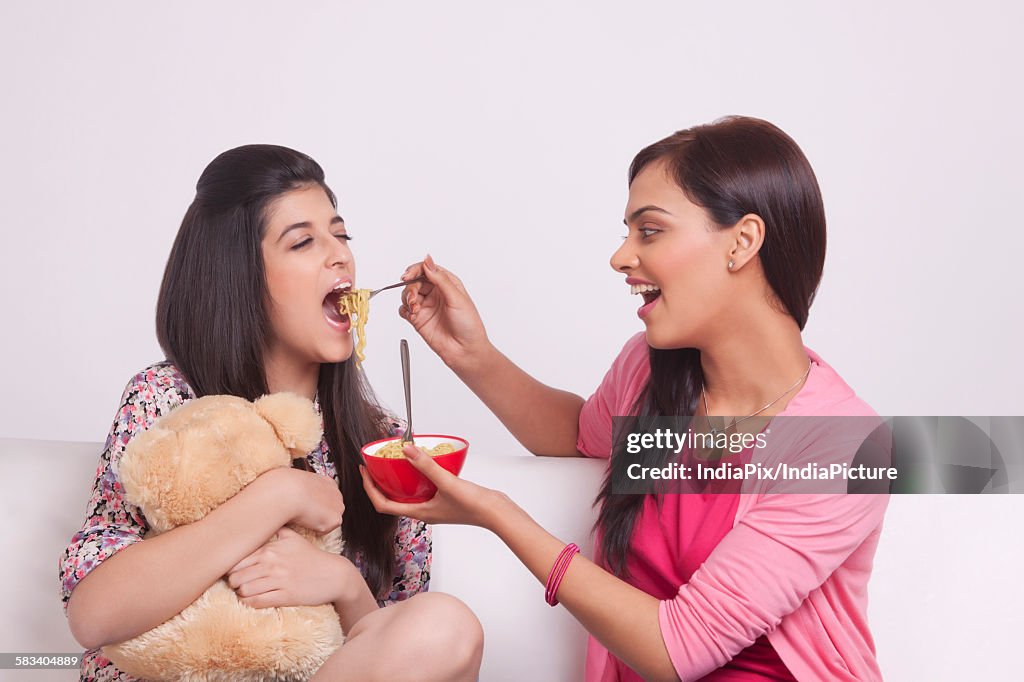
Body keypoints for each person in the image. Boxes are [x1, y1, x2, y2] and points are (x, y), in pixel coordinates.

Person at [366, 117, 888, 681]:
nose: (620, 258)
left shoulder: (846, 443)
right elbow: (575, 436)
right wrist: (470, 353)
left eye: (651, 231)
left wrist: (496, 514)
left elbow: (678, 648)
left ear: (742, 242)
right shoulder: (651, 373)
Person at [59, 144, 483, 682]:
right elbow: (93, 617)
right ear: (239, 275)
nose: (340, 256)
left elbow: (406, 653)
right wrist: (276, 497)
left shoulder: (385, 443)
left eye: (341, 234)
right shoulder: (169, 400)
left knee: (446, 625)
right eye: (303, 241)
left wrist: (342, 583)